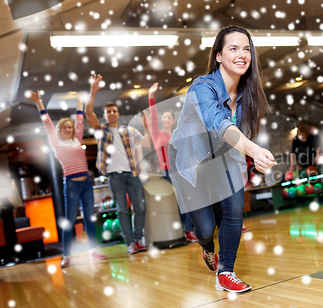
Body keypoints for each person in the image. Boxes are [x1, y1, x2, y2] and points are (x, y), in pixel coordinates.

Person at [168, 25, 276, 293]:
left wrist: (249, 156)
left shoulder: (246, 94)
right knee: (205, 229)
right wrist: (254, 150)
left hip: (223, 156)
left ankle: (226, 271)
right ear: (218, 56)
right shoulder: (202, 87)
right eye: (234, 48)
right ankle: (206, 247)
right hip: (190, 159)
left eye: (247, 49)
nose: (242, 54)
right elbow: (216, 121)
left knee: (234, 210)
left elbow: (236, 133)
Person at [26, 90, 106, 268]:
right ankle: (67, 256)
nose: (69, 129)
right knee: (69, 221)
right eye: (65, 127)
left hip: (86, 183)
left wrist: (79, 101)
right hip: (71, 185)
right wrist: (39, 102)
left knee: (89, 219)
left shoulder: (77, 140)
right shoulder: (56, 143)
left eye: (70, 127)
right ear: (60, 130)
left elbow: (79, 120)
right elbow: (47, 122)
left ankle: (93, 250)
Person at [85, 74, 148, 255]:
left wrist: (147, 126)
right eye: (108, 112)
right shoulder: (101, 131)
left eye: (114, 111)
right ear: (105, 115)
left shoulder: (129, 130)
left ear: (118, 114)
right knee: (122, 210)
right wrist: (93, 90)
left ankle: (137, 239)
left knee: (140, 208)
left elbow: (146, 143)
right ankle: (130, 243)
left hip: (132, 174)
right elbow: (89, 112)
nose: (112, 114)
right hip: (114, 176)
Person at [146, 83, 197, 243]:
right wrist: (151, 96)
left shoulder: (177, 134)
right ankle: (186, 230)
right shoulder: (157, 134)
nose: (166, 119)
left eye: (169, 117)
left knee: (188, 200)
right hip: (168, 171)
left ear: (173, 120)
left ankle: (190, 230)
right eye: (164, 117)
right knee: (180, 201)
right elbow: (152, 117)